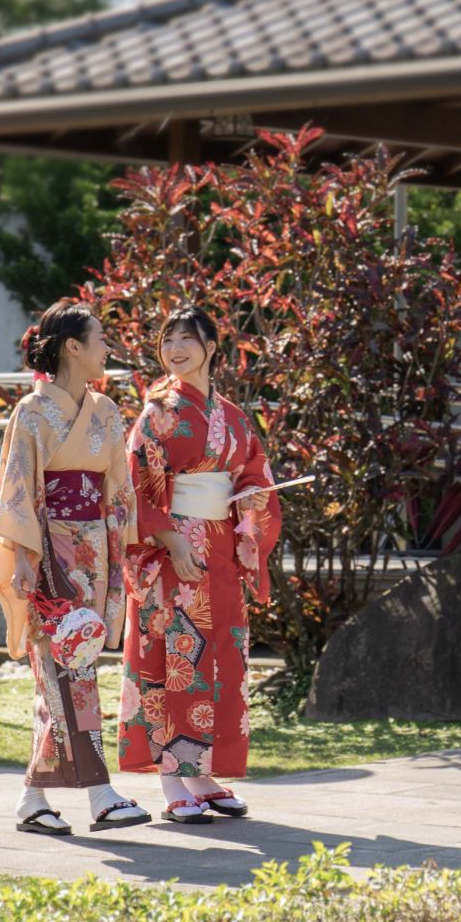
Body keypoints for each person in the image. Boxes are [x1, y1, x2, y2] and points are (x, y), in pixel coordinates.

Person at [0, 301, 149, 835]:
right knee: (65, 668)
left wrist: (120, 549)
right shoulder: (32, 412)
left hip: (94, 549)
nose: (107, 347)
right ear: (73, 347)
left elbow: (118, 488)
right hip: (50, 552)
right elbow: (18, 489)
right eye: (100, 337)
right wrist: (23, 560)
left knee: (72, 666)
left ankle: (33, 798)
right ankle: (100, 794)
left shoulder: (106, 410)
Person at [120, 306, 283, 823]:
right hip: (173, 551)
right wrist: (171, 540)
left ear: (212, 347)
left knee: (221, 660)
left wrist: (253, 497)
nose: (174, 349)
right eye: (167, 339)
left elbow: (253, 470)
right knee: (176, 657)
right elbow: (134, 484)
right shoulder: (158, 412)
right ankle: (173, 780)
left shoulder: (232, 415)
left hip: (220, 549)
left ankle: (203, 775)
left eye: (186, 339)